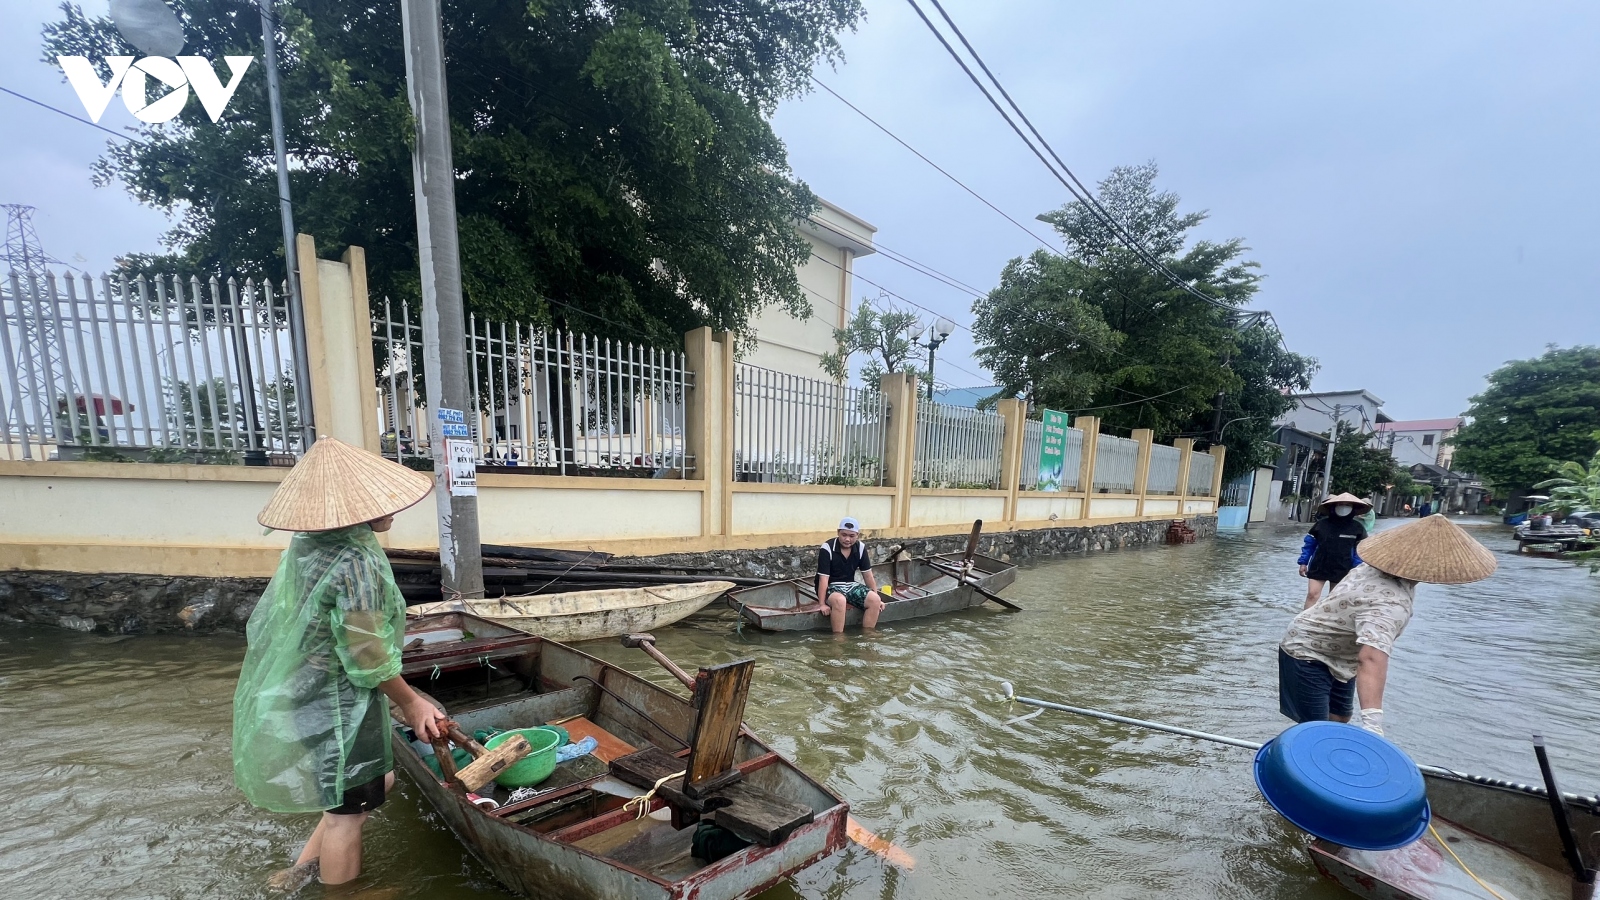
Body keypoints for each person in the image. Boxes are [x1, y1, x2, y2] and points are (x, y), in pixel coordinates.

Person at [232, 437, 446, 890]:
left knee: (374, 783)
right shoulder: (357, 560)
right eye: (382, 502)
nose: (393, 509)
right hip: (336, 701)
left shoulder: (311, 543)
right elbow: (367, 655)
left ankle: (300, 870)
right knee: (347, 815)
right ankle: (342, 892)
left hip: (304, 689)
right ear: (356, 511)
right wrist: (411, 703)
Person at [1278, 514, 1496, 735]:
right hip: (1308, 649)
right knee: (1316, 728)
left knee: (1340, 716)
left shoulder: (1373, 567)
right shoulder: (1389, 603)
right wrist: (1373, 723)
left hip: (1342, 654)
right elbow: (1371, 658)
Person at [1297, 493, 1371, 607]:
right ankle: (1305, 617)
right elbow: (1309, 545)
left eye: (1347, 505)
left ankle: (1326, 617)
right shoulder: (1321, 525)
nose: (1343, 507)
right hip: (1319, 565)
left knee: (1334, 599)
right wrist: (1303, 562)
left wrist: (1356, 569)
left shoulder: (1358, 528)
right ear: (1333, 506)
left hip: (1343, 567)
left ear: (1353, 508)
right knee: (1312, 595)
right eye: (1340, 504)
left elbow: (1360, 551)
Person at [816, 517, 887, 634]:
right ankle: (838, 638)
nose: (847, 539)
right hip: (831, 586)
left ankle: (868, 636)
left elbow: (868, 575)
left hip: (850, 585)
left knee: (875, 600)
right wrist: (822, 604)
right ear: (838, 532)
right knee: (840, 600)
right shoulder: (827, 547)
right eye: (844, 535)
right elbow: (823, 579)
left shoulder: (860, 548)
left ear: (857, 535)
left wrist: (877, 597)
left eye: (852, 536)